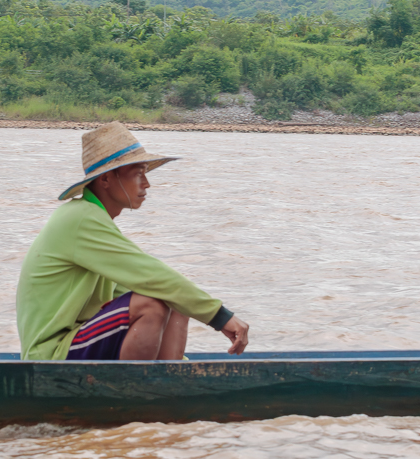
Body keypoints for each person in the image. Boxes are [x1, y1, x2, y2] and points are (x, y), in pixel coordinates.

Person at [16, 122, 250, 361]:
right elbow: (151, 275)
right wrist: (220, 317)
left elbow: (149, 286)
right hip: (49, 354)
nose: (146, 183)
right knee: (150, 304)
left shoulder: (93, 220)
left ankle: (171, 382)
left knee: (175, 301)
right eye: (138, 174)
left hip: (76, 343)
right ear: (106, 179)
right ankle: (138, 393)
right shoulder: (81, 219)